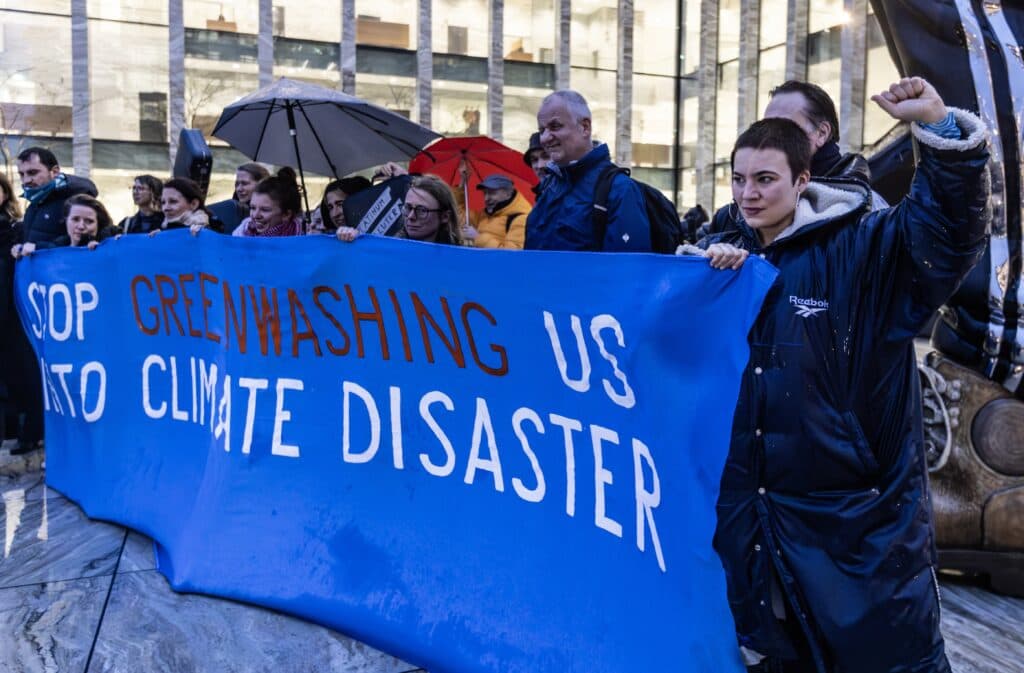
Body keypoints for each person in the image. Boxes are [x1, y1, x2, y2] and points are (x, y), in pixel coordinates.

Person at [695, 78, 987, 672]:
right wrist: (700, 276)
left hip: (854, 521)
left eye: (766, 180)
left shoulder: (862, 245)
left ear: (804, 180)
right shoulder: (717, 256)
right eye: (739, 179)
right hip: (752, 514)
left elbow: (945, 238)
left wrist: (939, 131)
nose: (749, 195)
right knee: (768, 655)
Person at [704, 80, 887, 240]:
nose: (770, 135)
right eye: (766, 125)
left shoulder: (861, 209)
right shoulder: (731, 216)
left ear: (822, 133)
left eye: (785, 126)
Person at [525, 90, 651, 252]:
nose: (545, 138)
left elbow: (627, 270)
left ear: (585, 127)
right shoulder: (549, 186)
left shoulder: (619, 189)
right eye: (542, 130)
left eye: (555, 126)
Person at [11, 146, 98, 257]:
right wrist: (19, 248)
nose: (26, 180)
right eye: (21, 174)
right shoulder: (35, 202)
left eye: (32, 172)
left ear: (55, 171)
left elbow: (84, 240)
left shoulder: (76, 201)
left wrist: (38, 248)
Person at [336, 174, 463, 246]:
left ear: (445, 216)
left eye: (422, 210)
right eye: (407, 208)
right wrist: (349, 239)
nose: (411, 216)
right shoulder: (387, 248)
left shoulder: (463, 259)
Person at [232, 168, 305, 238]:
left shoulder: (301, 238)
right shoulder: (243, 230)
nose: (255, 215)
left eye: (265, 210)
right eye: (253, 208)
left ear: (286, 214)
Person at [472, 174, 531, 250]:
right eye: (485, 193)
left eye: (492, 193)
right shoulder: (486, 214)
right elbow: (458, 216)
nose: (486, 198)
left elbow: (511, 255)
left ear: (508, 194)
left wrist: (478, 237)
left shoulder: (520, 218)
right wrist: (462, 184)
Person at [207, 163, 270, 232]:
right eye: (237, 184)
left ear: (261, 184)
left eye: (245, 183)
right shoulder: (232, 208)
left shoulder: (271, 218)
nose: (239, 189)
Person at [51, 194, 119, 249]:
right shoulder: (52, 252)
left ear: (99, 224)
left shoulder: (112, 249)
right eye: (75, 219)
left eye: (89, 221)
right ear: (66, 220)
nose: (81, 226)